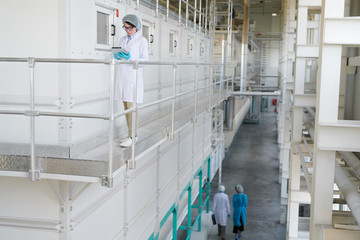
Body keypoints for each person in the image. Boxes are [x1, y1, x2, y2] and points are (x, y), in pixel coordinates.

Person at [114, 14, 149, 147]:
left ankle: (133, 136)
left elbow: (145, 61)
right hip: (122, 76)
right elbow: (120, 55)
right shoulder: (122, 40)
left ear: (136, 27)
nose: (127, 30)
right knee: (125, 106)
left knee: (131, 107)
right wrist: (117, 56)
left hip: (133, 77)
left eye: (130, 28)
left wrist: (131, 60)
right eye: (125, 27)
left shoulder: (142, 41)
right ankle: (131, 134)